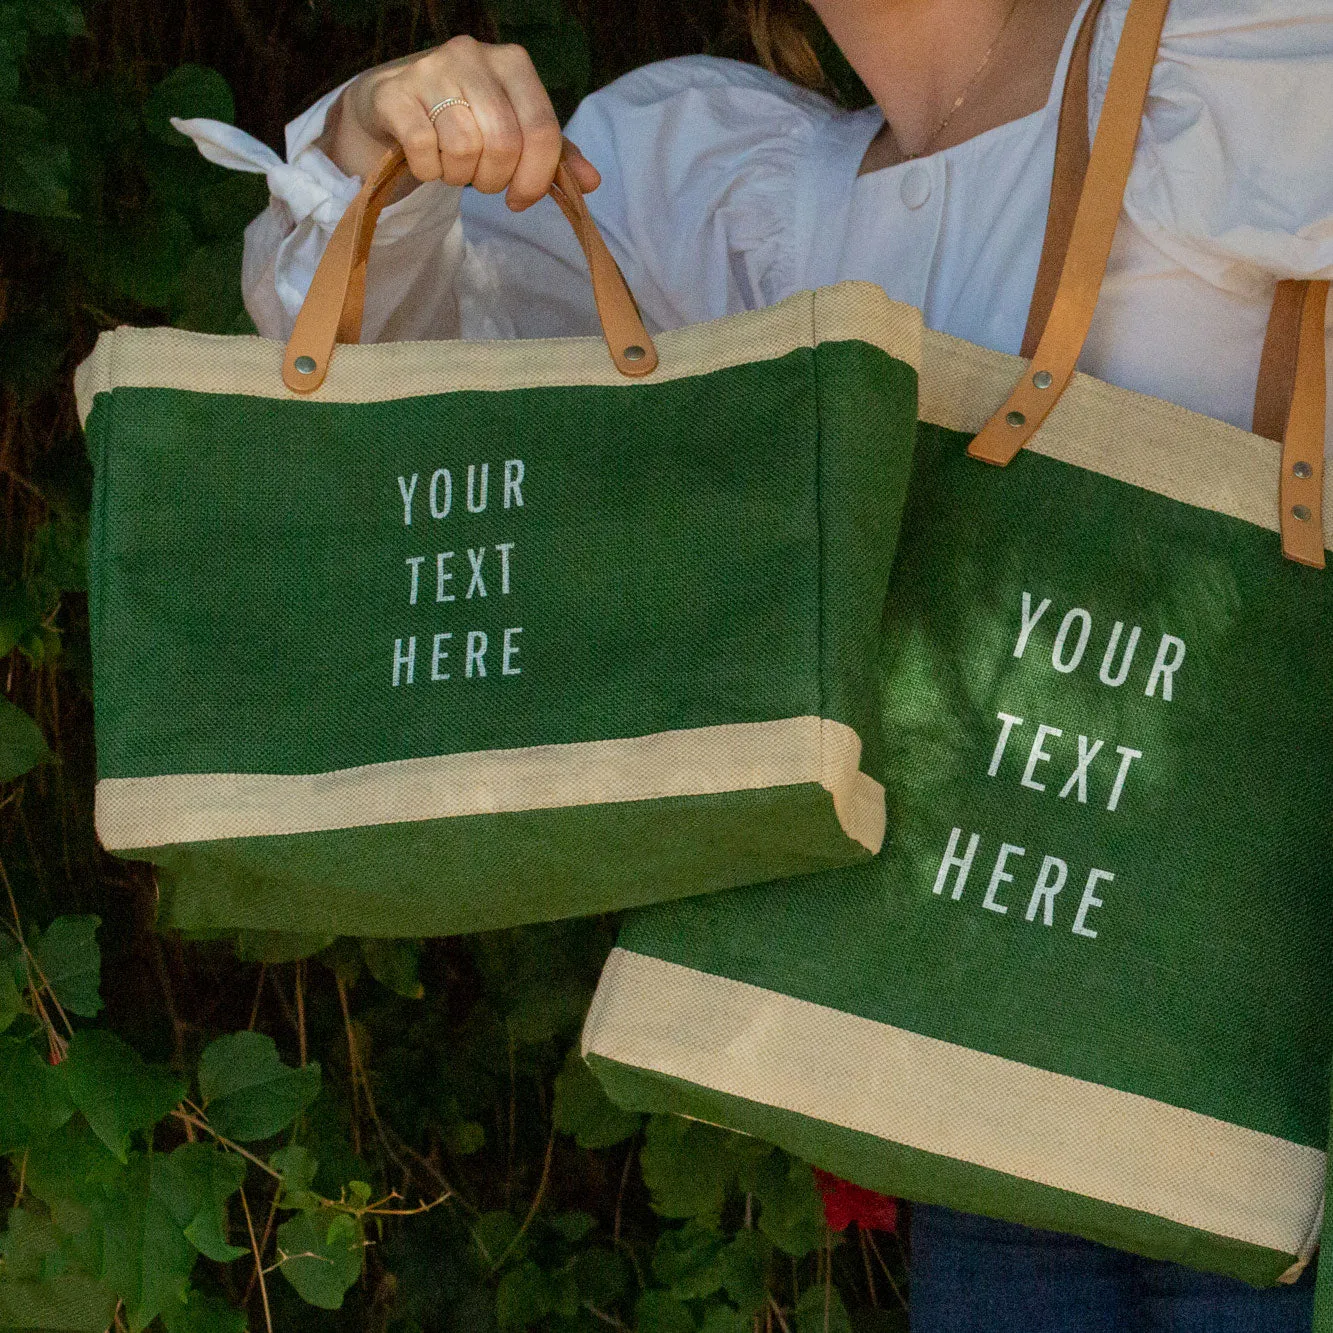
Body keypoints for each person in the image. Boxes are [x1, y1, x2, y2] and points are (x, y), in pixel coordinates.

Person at [178, 0, 1333, 1327]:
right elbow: (399, 384)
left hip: (1280, 1057)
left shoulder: (1234, 45)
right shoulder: (730, 188)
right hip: (989, 1085)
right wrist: (385, 128)